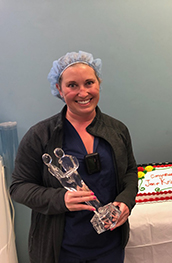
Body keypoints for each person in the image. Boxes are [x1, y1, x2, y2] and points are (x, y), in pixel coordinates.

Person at [10, 51, 138, 263]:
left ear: (99, 84)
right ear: (59, 89)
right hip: (61, 249)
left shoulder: (117, 130)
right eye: (72, 85)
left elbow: (130, 172)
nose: (83, 92)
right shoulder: (40, 136)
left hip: (110, 245)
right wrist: (61, 199)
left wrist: (126, 200)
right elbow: (19, 187)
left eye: (89, 83)